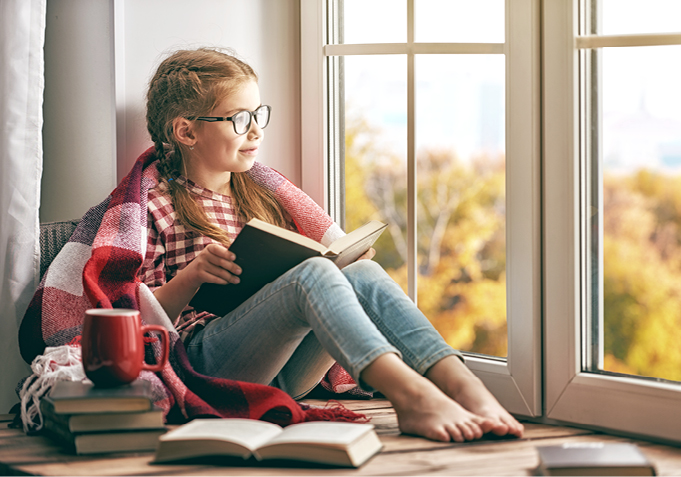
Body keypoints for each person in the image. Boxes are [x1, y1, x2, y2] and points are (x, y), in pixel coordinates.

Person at [140, 47, 524, 443]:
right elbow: (137, 320)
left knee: (362, 271)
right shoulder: (157, 204)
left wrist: (341, 262)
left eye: (258, 114)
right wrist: (190, 278)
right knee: (313, 275)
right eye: (239, 119)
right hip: (206, 366)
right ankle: (410, 395)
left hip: (283, 369)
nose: (256, 130)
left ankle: (463, 386)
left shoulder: (258, 196)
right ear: (186, 131)